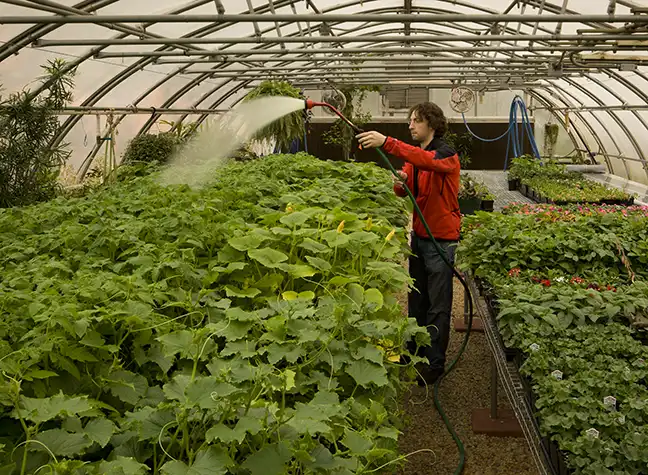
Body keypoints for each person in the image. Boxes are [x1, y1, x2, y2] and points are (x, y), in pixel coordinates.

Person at [356, 102, 460, 385]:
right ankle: (413, 351)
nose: (411, 126)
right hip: (421, 237)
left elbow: (427, 162)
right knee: (417, 299)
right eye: (410, 121)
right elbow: (405, 192)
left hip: (442, 241)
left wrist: (387, 142)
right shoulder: (417, 158)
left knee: (438, 305)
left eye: (416, 121)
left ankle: (435, 364)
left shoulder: (445, 153)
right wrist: (400, 181)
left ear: (432, 124)